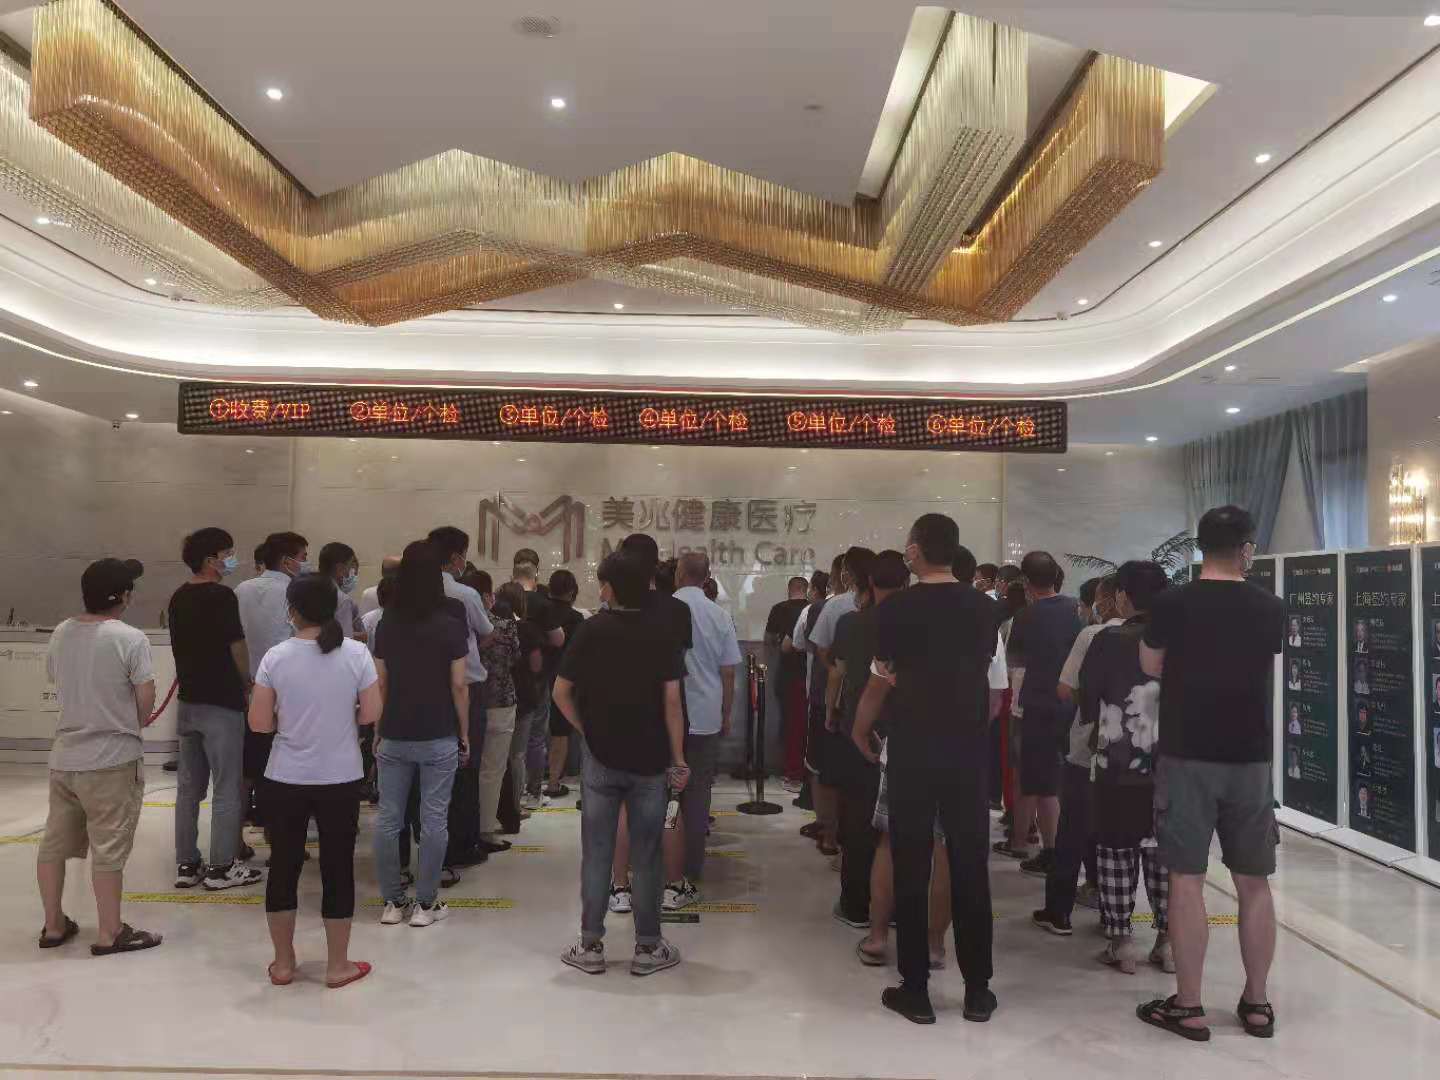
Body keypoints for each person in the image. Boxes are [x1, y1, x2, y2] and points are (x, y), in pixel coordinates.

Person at [1138, 505, 1284, 1042]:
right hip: (1251, 759)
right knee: (1254, 882)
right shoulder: (1270, 606)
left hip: (1187, 755)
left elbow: (1151, 666)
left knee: (1186, 879)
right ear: (1246, 549)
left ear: (1200, 547)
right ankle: (1257, 1002)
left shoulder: (1172, 603)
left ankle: (1189, 1005)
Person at [853, 515, 999, 1025]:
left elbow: (887, 671)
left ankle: (915, 988)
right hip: (968, 751)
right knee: (970, 865)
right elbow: (981, 671)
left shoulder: (896, 609)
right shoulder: (985, 609)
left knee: (911, 863)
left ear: (915, 551)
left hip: (913, 748)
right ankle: (977, 990)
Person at [553, 549, 689, 976]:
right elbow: (672, 703)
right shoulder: (662, 632)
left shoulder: (591, 630)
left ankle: (590, 946)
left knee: (597, 852)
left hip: (600, 759)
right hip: (651, 759)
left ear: (611, 588)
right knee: (647, 855)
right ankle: (648, 948)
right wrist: (679, 758)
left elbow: (560, 692)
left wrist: (586, 730)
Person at [248, 574, 380, 988]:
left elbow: (259, 722)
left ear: (292, 610)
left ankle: (283, 963)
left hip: (285, 776)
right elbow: (371, 713)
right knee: (337, 867)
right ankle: (338, 965)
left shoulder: (275, 657)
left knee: (284, 865)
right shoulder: (356, 653)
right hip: (340, 776)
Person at [37, 558, 163, 956]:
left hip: (65, 758)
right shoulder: (130, 638)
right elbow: (145, 695)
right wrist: (134, 719)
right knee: (108, 849)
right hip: (112, 759)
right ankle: (110, 932)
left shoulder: (61, 632)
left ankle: (53, 925)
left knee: (54, 844)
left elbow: (56, 677)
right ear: (124, 596)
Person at [1078, 561, 1172, 975]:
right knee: (1164, 850)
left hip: (1116, 761)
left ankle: (1122, 941)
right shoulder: (1182, 638)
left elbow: (1087, 699)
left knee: (1116, 849)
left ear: (1123, 596)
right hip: (1171, 763)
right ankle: (1168, 941)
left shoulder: (1108, 639)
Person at [372, 541, 469, 926]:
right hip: (438, 732)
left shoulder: (386, 624)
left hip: (394, 731)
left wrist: (377, 729)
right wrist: (465, 732)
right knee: (433, 821)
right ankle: (426, 905)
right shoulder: (451, 624)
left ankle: (392, 903)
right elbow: (459, 685)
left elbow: (381, 683)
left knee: (388, 820)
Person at [168, 528, 263, 891]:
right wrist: (247, 682)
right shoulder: (221, 596)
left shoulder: (178, 597)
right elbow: (236, 644)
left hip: (188, 702)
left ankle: (187, 862)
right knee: (227, 787)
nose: (231, 559)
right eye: (227, 553)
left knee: (188, 788)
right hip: (221, 702)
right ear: (211, 560)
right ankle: (222, 867)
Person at [1033, 575, 1120, 935]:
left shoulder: (1092, 635)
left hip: (1088, 747)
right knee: (1120, 836)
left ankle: (1059, 912)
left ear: (1112, 599)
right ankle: (1115, 915)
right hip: (1136, 755)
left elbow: (1065, 689)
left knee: (1073, 830)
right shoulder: (1156, 636)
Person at [664, 552, 742, 909]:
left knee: (666, 795)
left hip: (665, 717)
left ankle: (663, 865)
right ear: (707, 576)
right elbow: (728, 672)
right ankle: (691, 868)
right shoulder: (719, 615)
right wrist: (726, 714)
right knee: (697, 797)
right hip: (706, 717)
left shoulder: (662, 610)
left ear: (678, 574)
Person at [1006, 552, 1084, 879]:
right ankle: (1053, 847)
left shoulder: (1025, 616)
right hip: (1071, 704)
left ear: (1026, 582)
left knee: (1041, 781)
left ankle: (1052, 851)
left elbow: (1014, 661)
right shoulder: (1076, 609)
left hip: (1038, 705)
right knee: (1059, 779)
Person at [426, 526, 494, 866]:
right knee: (466, 765)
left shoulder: (413, 593)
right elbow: (487, 632)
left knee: (433, 771)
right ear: (455, 557)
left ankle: (434, 845)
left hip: (426, 690)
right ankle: (463, 844)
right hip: (466, 686)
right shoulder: (464, 594)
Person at [235, 531, 309, 822]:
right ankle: (276, 824)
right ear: (287, 561)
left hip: (249, 686)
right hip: (287, 689)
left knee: (250, 760)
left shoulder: (241, 589)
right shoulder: (295, 591)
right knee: (282, 761)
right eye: (303, 557)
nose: (305, 563)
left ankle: (242, 822)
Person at [476, 584, 521, 849]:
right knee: (493, 770)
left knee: (467, 770)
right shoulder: (505, 626)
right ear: (486, 597)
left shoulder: (462, 626)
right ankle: (485, 830)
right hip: (501, 701)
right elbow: (514, 658)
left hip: (470, 702)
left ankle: (466, 828)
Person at [503, 582, 548, 818]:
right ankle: (516, 803)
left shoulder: (494, 627)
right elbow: (536, 664)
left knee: (498, 756)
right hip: (525, 695)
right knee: (518, 753)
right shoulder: (528, 629)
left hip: (498, 696)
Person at [544, 569, 586, 798]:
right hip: (565, 680)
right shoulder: (576, 618)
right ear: (571, 592)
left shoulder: (540, 611)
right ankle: (553, 782)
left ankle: (533, 783)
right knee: (561, 733)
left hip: (538, 678)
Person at [766, 576, 811, 790]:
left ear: (789, 589)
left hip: (787, 675)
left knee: (790, 725)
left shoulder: (779, 609)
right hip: (810, 675)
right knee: (805, 726)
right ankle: (804, 772)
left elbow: (769, 641)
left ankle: (792, 773)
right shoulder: (813, 610)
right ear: (806, 589)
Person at [318, 542, 364, 640]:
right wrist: (362, 636)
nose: (354, 573)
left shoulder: (307, 591)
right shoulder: (342, 600)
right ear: (340, 568)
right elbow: (345, 640)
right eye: (351, 567)